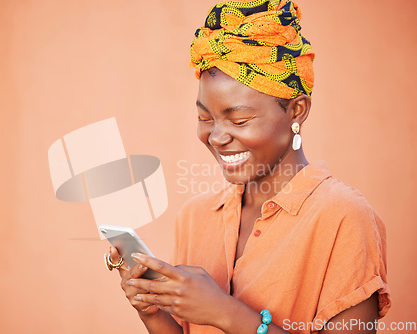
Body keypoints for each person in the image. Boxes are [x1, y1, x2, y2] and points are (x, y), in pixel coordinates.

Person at [105, 1, 391, 333]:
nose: (216, 136)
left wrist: (224, 312)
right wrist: (153, 310)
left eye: (239, 119)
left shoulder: (344, 218)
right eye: (204, 118)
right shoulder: (195, 217)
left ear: (296, 111)